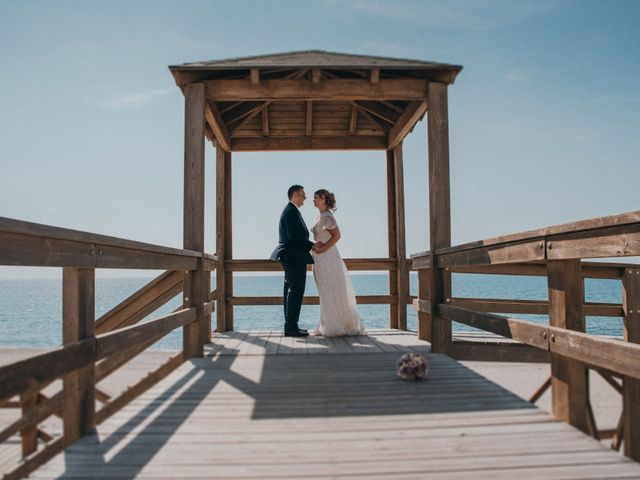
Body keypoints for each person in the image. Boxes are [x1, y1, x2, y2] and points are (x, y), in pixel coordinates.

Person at [310, 189, 366, 337]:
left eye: (315, 198)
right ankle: (328, 322)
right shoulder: (320, 215)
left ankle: (335, 325)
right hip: (319, 257)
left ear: (323, 199)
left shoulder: (327, 216)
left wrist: (322, 248)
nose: (313, 200)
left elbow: (337, 236)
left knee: (330, 288)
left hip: (327, 256)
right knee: (325, 290)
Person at [270, 185, 313, 337]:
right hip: (293, 257)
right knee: (295, 291)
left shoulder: (291, 210)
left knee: (291, 291)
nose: (305, 198)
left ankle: (291, 325)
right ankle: (290, 327)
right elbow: (294, 237)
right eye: (303, 195)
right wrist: (312, 245)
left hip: (291, 257)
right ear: (295, 195)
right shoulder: (291, 211)